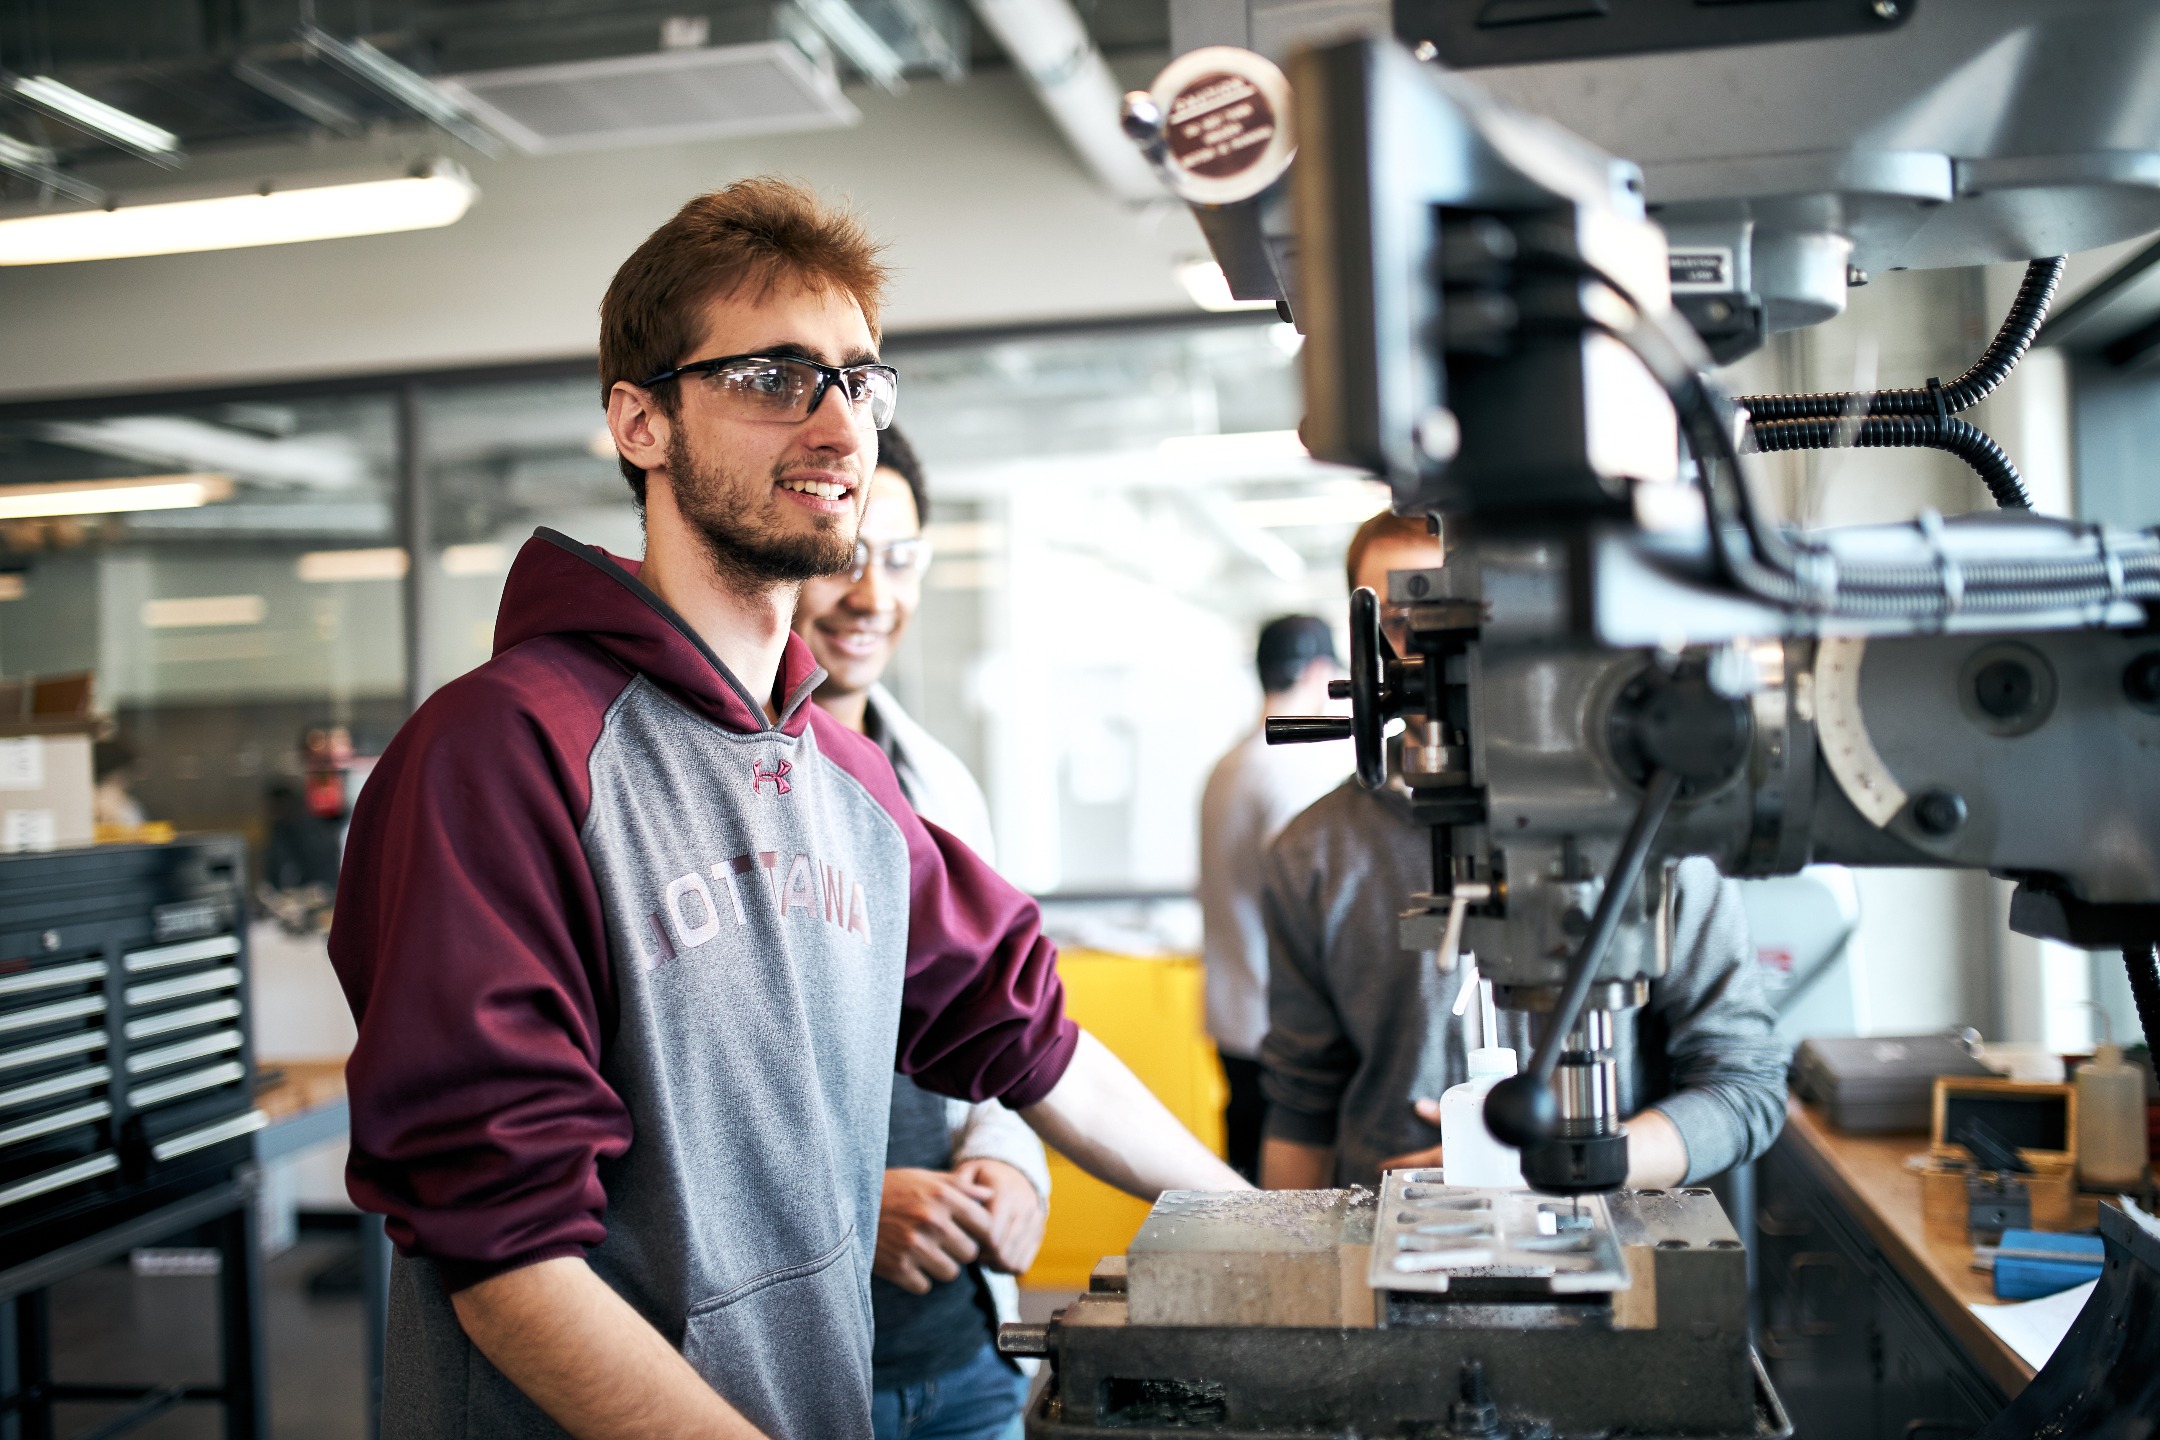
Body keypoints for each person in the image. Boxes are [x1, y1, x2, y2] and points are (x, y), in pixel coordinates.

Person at [329, 178, 1246, 1440]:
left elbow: (1028, 1034)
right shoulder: (497, 753)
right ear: (641, 422)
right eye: (772, 376)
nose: (835, 423)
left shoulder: (846, 780)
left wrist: (1291, 1238)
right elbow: (508, 1263)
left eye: (859, 381)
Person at [1256, 509, 1787, 1192]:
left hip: (1602, 1236)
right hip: (1388, 1244)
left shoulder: (1659, 826)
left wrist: (1573, 1161)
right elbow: (1302, 1101)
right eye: (1400, 621)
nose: (1436, 649)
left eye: (1463, 614)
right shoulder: (1313, 853)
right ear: (1369, 641)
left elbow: (1746, 1086)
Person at [792, 424, 1045, 1440]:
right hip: (798, 1373)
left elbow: (1004, 1019)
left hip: (961, 1349)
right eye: (845, 559)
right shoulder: (722, 782)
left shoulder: (942, 787)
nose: (872, 596)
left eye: (900, 561)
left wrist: (1009, 1159)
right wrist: (850, 1212)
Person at [1198, 615, 1346, 1181]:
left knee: (1247, 1176)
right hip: (1284, 1030)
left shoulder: (1229, 764)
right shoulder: (1289, 768)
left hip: (1235, 1014)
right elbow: (1313, 909)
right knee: (1287, 1202)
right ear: (1316, 673)